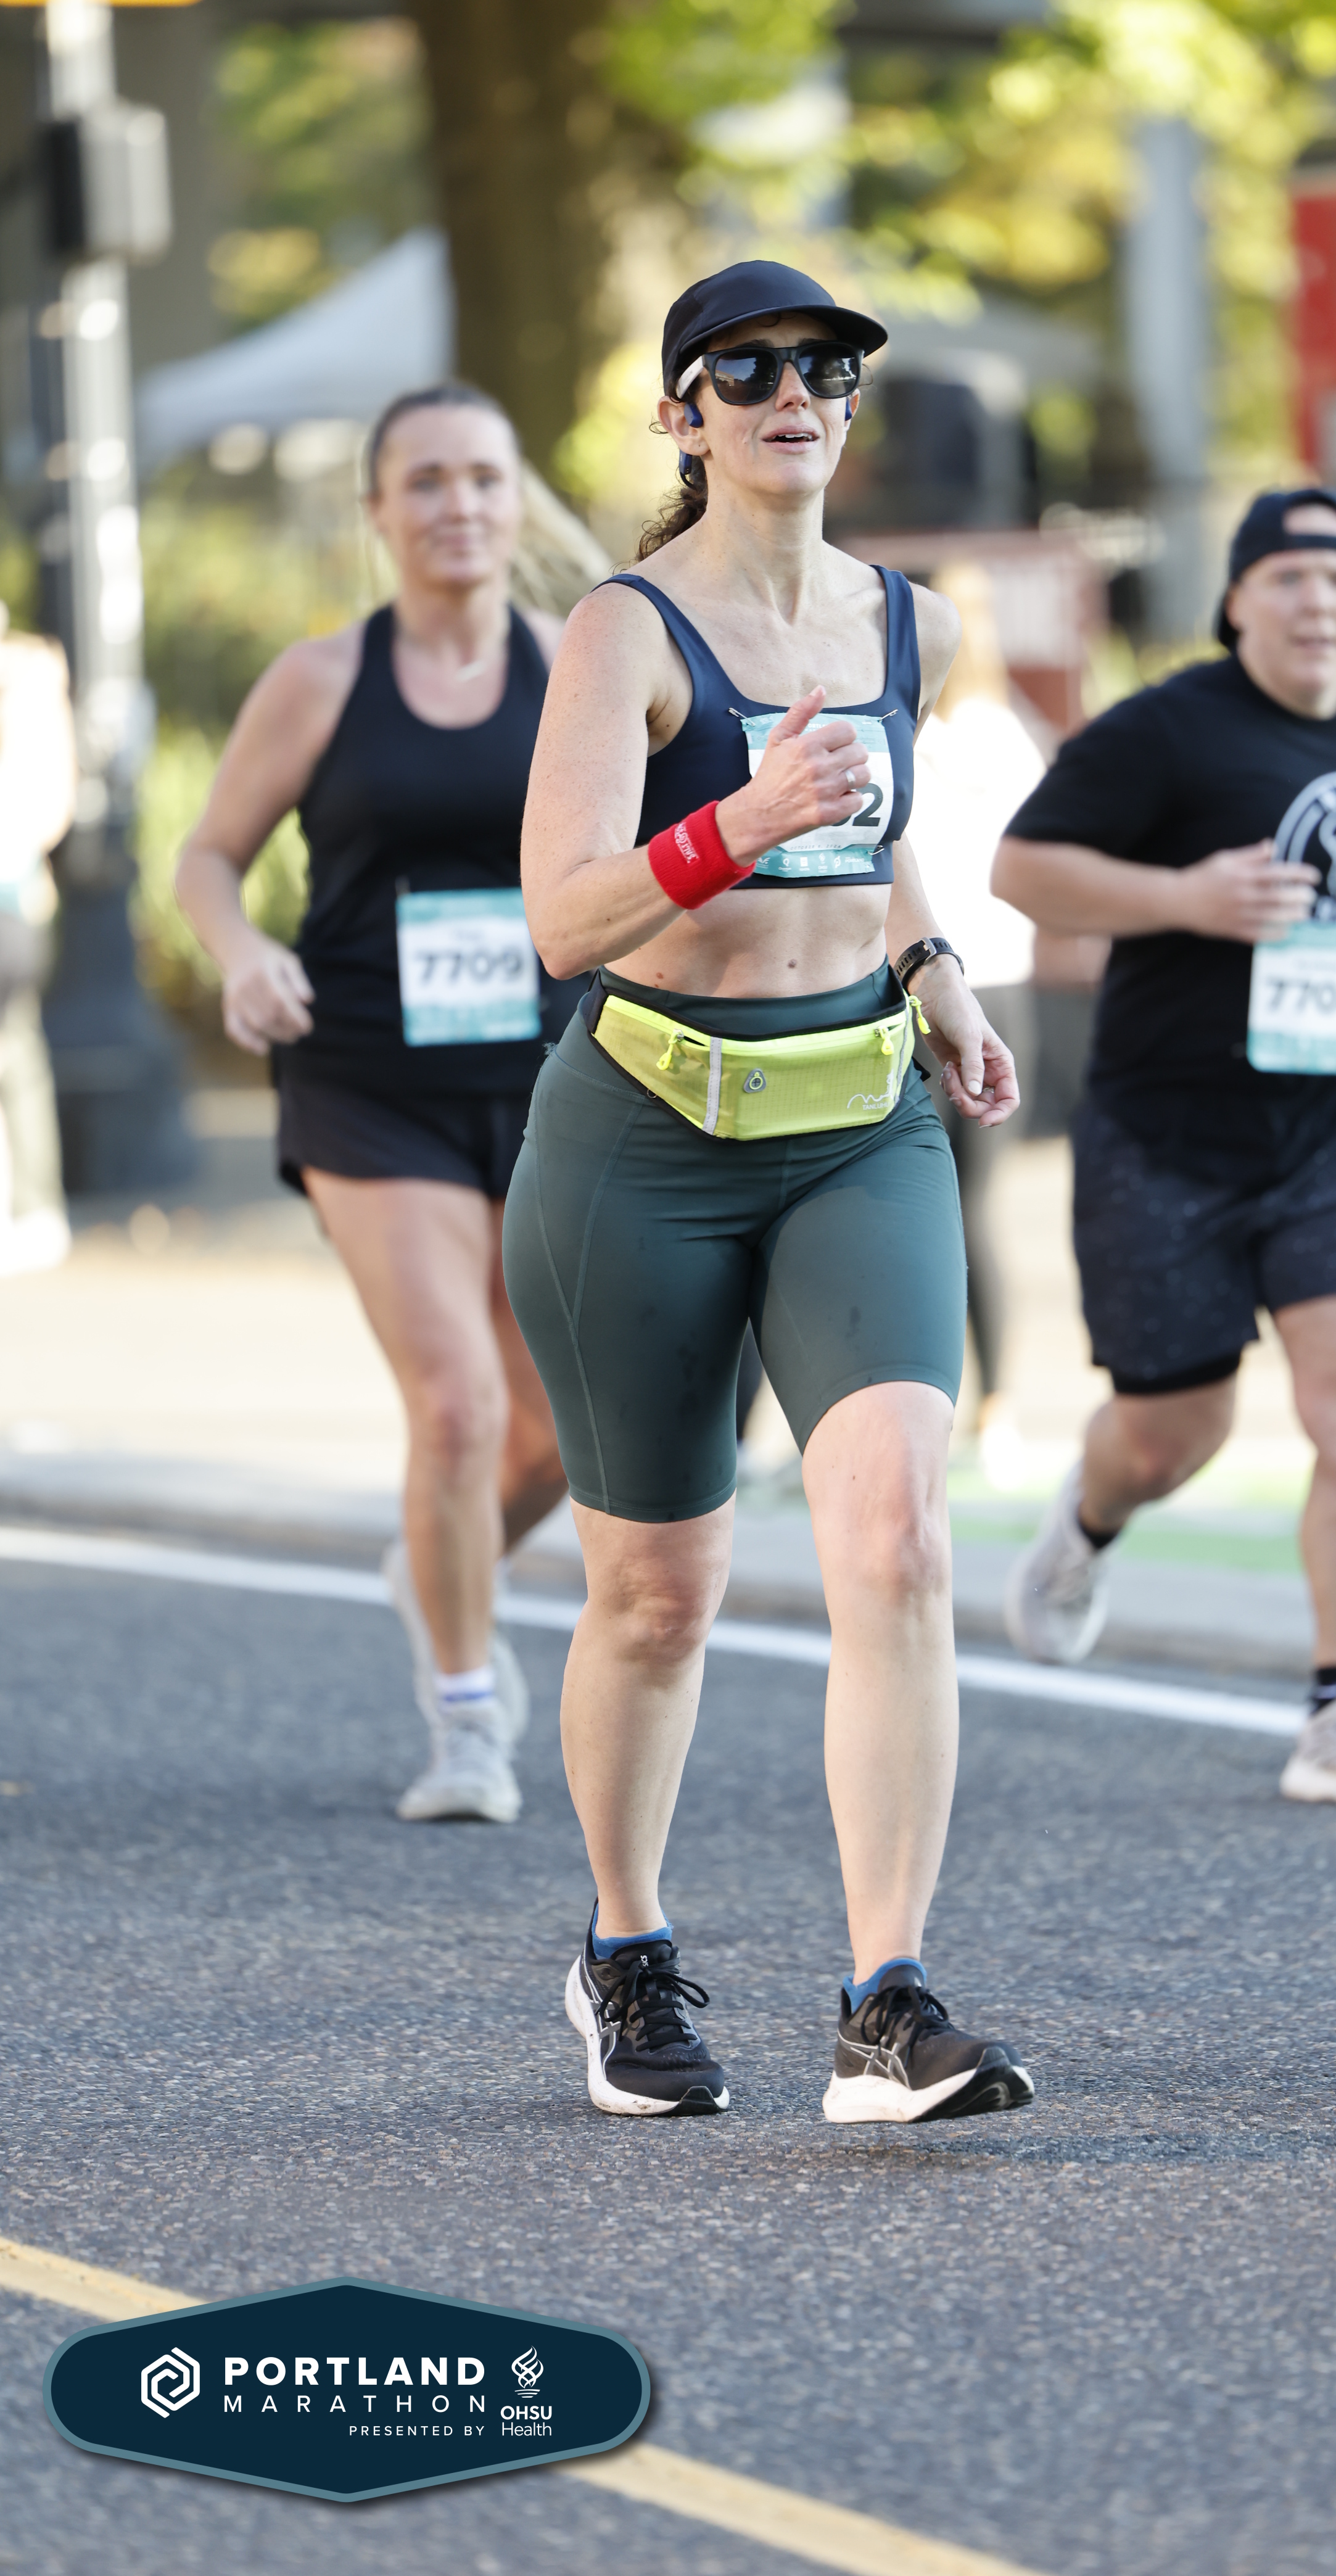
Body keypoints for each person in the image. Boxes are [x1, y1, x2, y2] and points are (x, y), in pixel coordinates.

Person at [503, 258, 1035, 2123]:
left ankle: (885, 2004)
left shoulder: (913, 626)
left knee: (896, 1534)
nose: (792, 392)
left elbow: (881, 843)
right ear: (683, 415)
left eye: (822, 367)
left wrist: (934, 969)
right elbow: (562, 915)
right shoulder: (625, 632)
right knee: (660, 1593)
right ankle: (623, 1945)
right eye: (744, 370)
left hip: (857, 1123)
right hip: (641, 1137)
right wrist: (739, 817)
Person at [994, 487, 1336, 1805]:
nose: (1317, 603)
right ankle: (1088, 1521)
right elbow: (1024, 870)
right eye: (1288, 579)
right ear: (1236, 600)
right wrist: (1184, 898)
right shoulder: (1163, 730)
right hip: (1168, 1131)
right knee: (1169, 1434)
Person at [175, 386, 592, 1825]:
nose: (456, 505)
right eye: (425, 481)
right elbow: (208, 857)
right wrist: (243, 955)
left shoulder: (576, 666)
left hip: (549, 1076)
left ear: (516, 499)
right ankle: (465, 1718)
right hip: (367, 1078)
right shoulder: (320, 681)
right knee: (457, 1402)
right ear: (378, 511)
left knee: (563, 1424)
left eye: (482, 477)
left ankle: (434, 1561)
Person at [907, 560, 1045, 1485]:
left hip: (954, 984)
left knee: (944, 1209)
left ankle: (982, 1407)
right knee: (961, 1209)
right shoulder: (1007, 734)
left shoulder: (937, 735)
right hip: (974, 981)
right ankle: (985, 1408)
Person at [0, 609, 78, 1278]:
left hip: (12, 896)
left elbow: (47, 804)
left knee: (14, 1047)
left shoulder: (26, 679)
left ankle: (32, 1206)